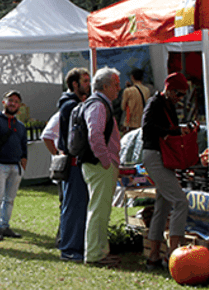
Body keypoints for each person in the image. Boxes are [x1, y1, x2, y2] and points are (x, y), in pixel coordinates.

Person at [141, 72, 194, 270]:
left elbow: (166, 127)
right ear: (169, 90)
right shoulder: (155, 102)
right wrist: (175, 131)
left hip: (162, 157)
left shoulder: (167, 104)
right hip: (155, 155)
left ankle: (154, 255)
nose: (180, 99)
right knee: (180, 201)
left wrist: (179, 129)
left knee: (162, 205)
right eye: (179, 94)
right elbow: (147, 127)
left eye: (183, 96)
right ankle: (174, 254)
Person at [80, 68, 122, 268]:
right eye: (116, 84)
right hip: (100, 165)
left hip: (99, 164)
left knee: (101, 210)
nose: (119, 88)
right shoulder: (98, 105)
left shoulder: (99, 103)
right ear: (105, 86)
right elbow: (94, 134)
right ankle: (96, 254)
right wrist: (106, 160)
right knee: (99, 210)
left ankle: (100, 252)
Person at [56, 68, 91, 262]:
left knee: (77, 204)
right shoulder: (71, 106)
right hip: (74, 161)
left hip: (76, 160)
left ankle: (74, 244)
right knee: (74, 205)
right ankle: (69, 248)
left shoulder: (72, 104)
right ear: (74, 84)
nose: (88, 84)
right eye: (85, 81)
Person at [0, 91, 28, 241]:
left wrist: (22, 167)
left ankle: (5, 225)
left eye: (16, 101)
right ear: (4, 102)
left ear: (19, 106)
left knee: (9, 199)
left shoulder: (20, 126)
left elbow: (24, 148)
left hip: (15, 167)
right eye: (10, 100)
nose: (13, 104)